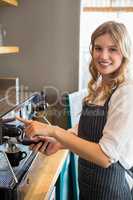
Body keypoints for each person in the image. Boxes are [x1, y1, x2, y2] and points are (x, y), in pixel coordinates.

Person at [17, 21, 133, 199]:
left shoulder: (126, 91)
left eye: (113, 49)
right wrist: (59, 143)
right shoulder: (101, 83)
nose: (103, 55)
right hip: (88, 187)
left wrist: (54, 131)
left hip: (110, 192)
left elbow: (105, 156)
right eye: (98, 48)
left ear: (124, 52)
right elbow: (90, 129)